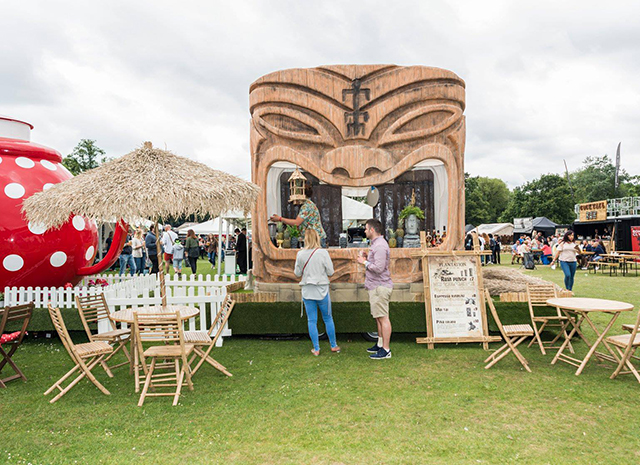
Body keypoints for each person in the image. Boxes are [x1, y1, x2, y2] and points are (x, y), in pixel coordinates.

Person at [294, 228, 340, 356]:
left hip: (307, 290)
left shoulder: (300, 254)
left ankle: (316, 348)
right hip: (322, 290)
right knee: (328, 318)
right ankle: (333, 345)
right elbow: (330, 272)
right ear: (317, 238)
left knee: (311, 320)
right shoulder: (323, 253)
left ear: (305, 239)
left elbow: (297, 273)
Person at [357, 218, 393, 360]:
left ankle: (386, 349)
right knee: (378, 318)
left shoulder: (379, 246)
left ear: (372, 230)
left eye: (366, 229)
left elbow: (378, 268)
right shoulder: (376, 245)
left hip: (380, 286)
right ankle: (379, 345)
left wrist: (364, 262)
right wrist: (367, 258)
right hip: (375, 286)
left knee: (383, 318)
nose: (365, 231)